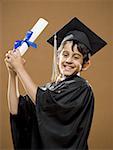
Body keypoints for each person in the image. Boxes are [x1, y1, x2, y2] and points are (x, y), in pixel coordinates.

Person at [5, 17, 107, 150]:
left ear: (86, 64)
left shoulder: (82, 88)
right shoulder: (50, 88)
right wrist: (12, 74)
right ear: (57, 57)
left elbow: (44, 102)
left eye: (76, 57)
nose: (69, 60)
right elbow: (16, 109)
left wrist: (19, 68)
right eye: (65, 54)